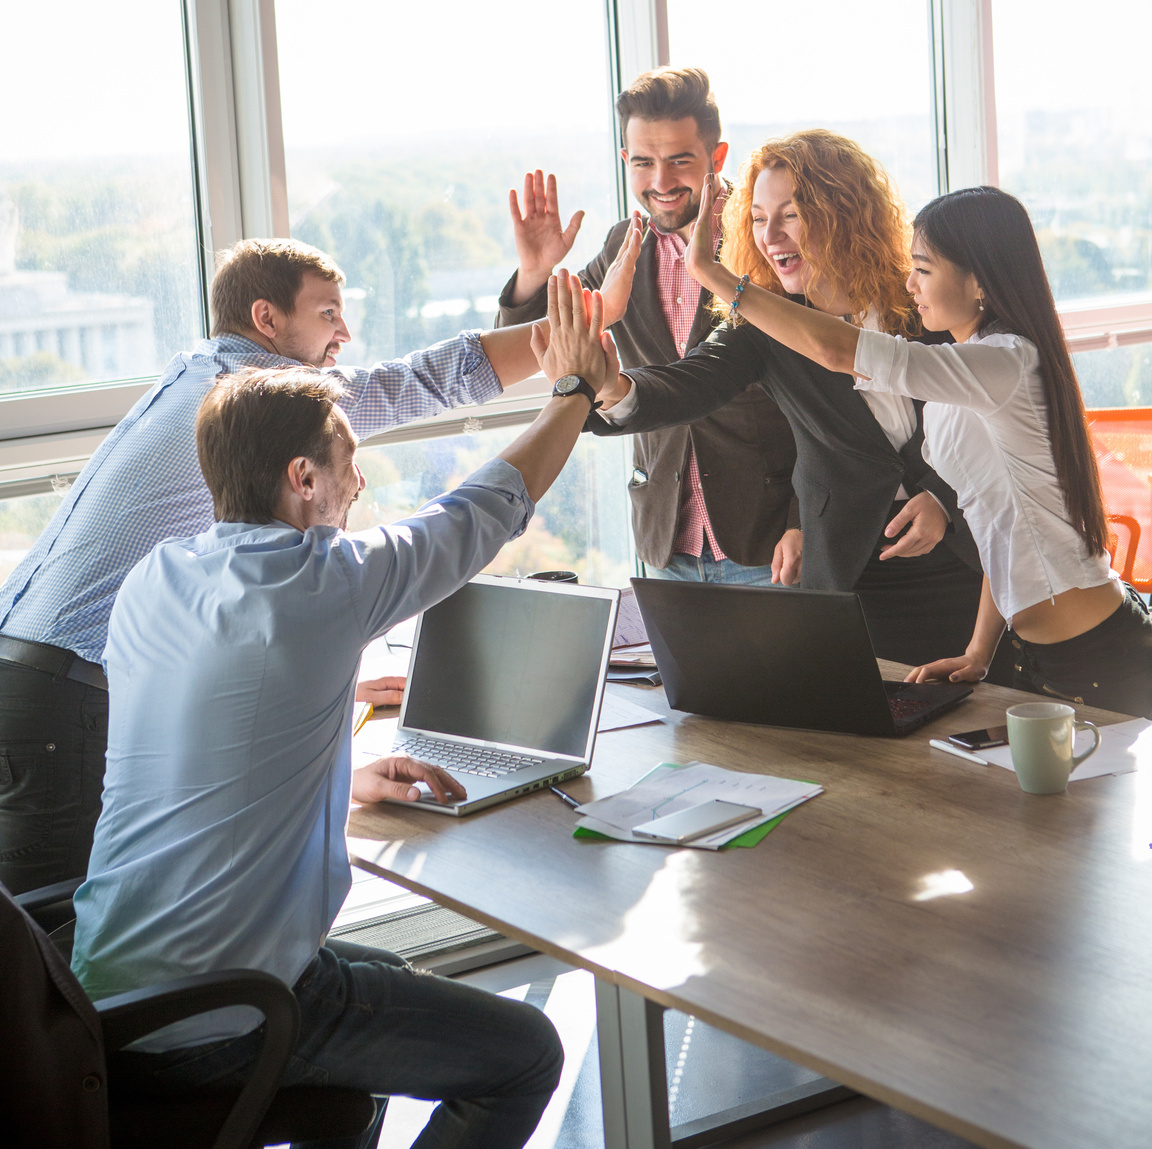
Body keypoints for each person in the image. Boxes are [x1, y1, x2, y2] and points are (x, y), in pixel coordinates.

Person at [69, 271, 617, 1148]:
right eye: (349, 461)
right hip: (225, 1018)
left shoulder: (157, 578)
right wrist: (576, 391)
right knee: (525, 1053)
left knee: (390, 972)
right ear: (302, 478)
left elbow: (205, 743)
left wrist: (343, 776)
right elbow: (485, 508)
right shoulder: (322, 584)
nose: (358, 482)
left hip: (107, 997)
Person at [0, 235, 639, 894]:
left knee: (55, 945)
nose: (345, 333)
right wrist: (584, 330)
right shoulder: (255, 399)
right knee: (55, 970)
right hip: (65, 696)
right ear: (266, 320)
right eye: (327, 314)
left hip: (29, 671)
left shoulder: (197, 373)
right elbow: (425, 385)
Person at [681, 178, 1152, 716]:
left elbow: (839, 350)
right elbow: (999, 526)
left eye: (924, 269)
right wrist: (978, 651)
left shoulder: (1004, 363)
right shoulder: (968, 369)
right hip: (1034, 651)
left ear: (980, 282)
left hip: (1096, 653)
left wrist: (718, 278)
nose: (909, 285)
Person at [590, 130, 1011, 674]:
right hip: (850, 573)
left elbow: (998, 421)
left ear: (842, 212)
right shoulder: (764, 327)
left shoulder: (925, 299)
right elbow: (686, 384)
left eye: (789, 214)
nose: (770, 236)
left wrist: (940, 495)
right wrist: (611, 389)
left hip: (968, 568)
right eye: (759, 219)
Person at [496, 66, 799, 586]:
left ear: (717, 158)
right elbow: (536, 347)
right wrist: (534, 272)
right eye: (643, 163)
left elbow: (826, 398)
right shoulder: (623, 247)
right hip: (667, 540)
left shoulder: (766, 241)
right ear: (625, 162)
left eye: (680, 161)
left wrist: (802, 521)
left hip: (767, 542)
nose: (660, 182)